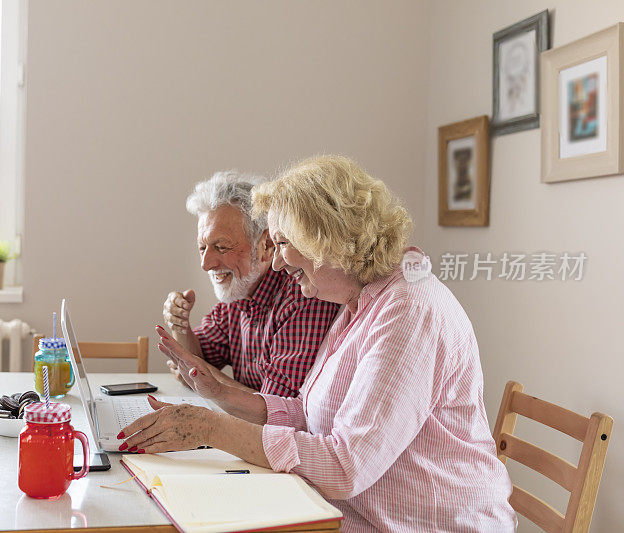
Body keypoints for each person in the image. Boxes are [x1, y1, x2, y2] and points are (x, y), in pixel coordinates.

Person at [124, 156, 516, 531]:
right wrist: (220, 393)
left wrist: (210, 428)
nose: (276, 263)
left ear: (325, 238)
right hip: (347, 518)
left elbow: (346, 466)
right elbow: (309, 415)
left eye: (282, 243)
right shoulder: (360, 300)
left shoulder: (409, 311)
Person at [162, 170, 339, 397]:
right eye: (202, 248)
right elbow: (196, 362)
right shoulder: (239, 295)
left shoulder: (301, 296)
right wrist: (181, 325)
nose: (206, 264)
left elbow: (276, 408)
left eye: (221, 247)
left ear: (265, 245)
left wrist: (198, 373)